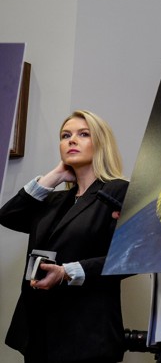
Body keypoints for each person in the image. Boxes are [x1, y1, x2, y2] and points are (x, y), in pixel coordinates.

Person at [0, 110, 128, 363]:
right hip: (38, 330)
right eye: (65, 135)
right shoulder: (56, 198)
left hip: (86, 333)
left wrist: (69, 271)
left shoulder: (119, 191)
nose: (71, 140)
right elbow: (8, 216)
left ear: (101, 143)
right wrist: (56, 176)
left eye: (83, 134)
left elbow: (130, 256)